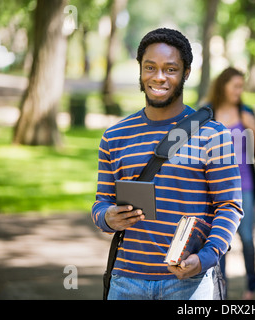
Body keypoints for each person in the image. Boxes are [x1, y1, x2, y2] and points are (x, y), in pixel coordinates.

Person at [91, 28, 243, 300]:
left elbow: (229, 205)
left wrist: (207, 257)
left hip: (188, 284)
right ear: (140, 70)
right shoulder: (114, 136)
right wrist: (107, 217)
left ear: (185, 73)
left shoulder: (212, 134)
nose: (158, 77)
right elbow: (101, 202)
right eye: (150, 67)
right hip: (126, 282)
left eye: (170, 69)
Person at [202, 67, 255, 300]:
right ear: (223, 86)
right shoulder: (206, 113)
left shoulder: (247, 112)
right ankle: (220, 290)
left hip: (244, 186)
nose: (239, 90)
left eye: (241, 86)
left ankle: (251, 285)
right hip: (213, 189)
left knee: (246, 238)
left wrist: (252, 129)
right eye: (235, 85)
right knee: (219, 241)